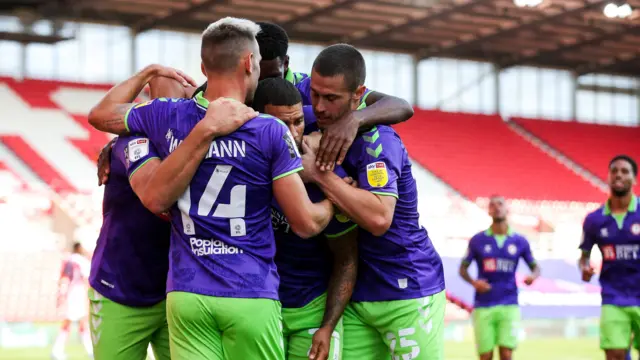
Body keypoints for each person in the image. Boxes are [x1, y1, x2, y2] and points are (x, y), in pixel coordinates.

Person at [89, 17, 336, 360]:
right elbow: (306, 223)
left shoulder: (166, 115)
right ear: (250, 62)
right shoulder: (268, 130)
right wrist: (332, 203)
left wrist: (148, 72)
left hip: (187, 294)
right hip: (250, 293)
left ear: (204, 67)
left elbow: (101, 114)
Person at [299, 43, 446, 360]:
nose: (319, 107)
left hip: (404, 288)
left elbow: (380, 218)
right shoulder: (311, 119)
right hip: (355, 294)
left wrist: (321, 177)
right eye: (315, 94)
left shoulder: (378, 138)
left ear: (358, 94)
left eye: (331, 98)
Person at [252, 77, 358, 360]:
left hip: (312, 312)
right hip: (258, 310)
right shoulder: (242, 172)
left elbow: (346, 259)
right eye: (280, 125)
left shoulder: (327, 177)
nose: (291, 133)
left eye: (298, 122)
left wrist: (327, 326)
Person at [459, 195, 540, 360]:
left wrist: (532, 276)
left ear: (507, 209)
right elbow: (462, 268)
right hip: (483, 305)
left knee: (506, 354)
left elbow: (535, 267)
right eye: (492, 205)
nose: (496, 207)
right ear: (489, 211)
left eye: (500, 204)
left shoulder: (520, 241)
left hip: (509, 303)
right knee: (486, 356)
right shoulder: (478, 240)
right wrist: (474, 282)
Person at [580, 155, 639, 360]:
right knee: (614, 355)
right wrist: (585, 267)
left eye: (624, 171)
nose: (618, 175)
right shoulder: (594, 220)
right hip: (613, 297)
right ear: (608, 176)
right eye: (614, 171)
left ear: (634, 179)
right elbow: (584, 255)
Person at [52, 242, 93, 360]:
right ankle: (57, 351)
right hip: (77, 293)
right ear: (78, 248)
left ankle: (57, 350)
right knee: (78, 323)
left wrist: (61, 295)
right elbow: (88, 277)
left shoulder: (68, 260)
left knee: (75, 323)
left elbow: (62, 278)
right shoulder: (81, 261)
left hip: (71, 293)